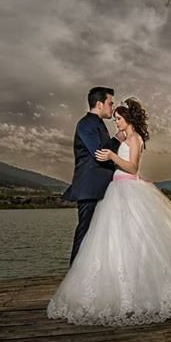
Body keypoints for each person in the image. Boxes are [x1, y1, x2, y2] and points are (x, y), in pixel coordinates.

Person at [47, 98, 171, 326]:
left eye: (118, 119)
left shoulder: (136, 138)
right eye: (115, 118)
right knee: (117, 243)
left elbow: (133, 167)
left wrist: (112, 156)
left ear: (128, 119)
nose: (116, 123)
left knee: (139, 241)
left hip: (127, 190)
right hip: (117, 190)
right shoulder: (126, 138)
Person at [62, 86, 125, 266]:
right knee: (85, 232)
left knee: (100, 234)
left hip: (103, 188)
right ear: (99, 104)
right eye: (110, 103)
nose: (112, 108)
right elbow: (98, 153)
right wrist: (117, 140)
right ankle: (74, 276)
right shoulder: (86, 124)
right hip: (89, 188)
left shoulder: (97, 123)